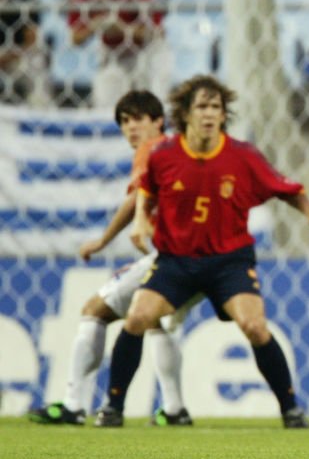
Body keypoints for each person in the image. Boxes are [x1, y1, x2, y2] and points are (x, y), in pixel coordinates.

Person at [95, 75, 309, 428]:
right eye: (201, 107)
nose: (209, 114)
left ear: (224, 115)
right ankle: (113, 408)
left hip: (229, 262)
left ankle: (291, 410)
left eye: (215, 107)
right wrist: (142, 221)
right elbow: (146, 189)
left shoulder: (243, 156)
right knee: (138, 318)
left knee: (254, 325)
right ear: (186, 114)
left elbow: (285, 188)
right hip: (176, 261)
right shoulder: (165, 156)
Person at [28, 90, 197, 426]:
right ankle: (175, 410)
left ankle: (74, 405)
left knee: (95, 310)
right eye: (124, 121)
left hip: (172, 255)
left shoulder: (153, 150)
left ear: (158, 121)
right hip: (203, 255)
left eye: (138, 119)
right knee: (156, 321)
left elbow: (137, 198)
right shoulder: (179, 151)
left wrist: (104, 241)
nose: (130, 127)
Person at [67, 0, 170, 109]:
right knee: (106, 93)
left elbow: (159, 34)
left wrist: (124, 30)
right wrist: (94, 26)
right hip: (111, 53)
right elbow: (74, 39)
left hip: (146, 51)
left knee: (151, 92)